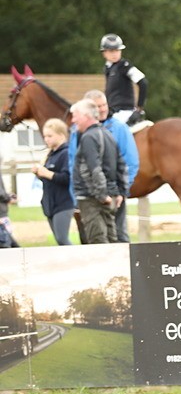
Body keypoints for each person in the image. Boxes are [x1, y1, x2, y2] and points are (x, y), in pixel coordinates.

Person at [68, 90, 138, 242]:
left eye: (104, 105)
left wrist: (120, 191)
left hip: (106, 194)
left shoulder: (118, 128)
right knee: (90, 236)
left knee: (115, 235)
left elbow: (128, 163)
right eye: (98, 106)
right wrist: (75, 193)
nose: (102, 109)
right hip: (91, 194)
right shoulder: (76, 132)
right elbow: (73, 162)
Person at [32, 118, 74, 245]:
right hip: (49, 203)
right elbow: (48, 179)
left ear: (61, 135)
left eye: (50, 136)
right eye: (45, 136)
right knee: (59, 240)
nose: (46, 139)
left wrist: (47, 173)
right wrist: (39, 173)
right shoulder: (50, 154)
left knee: (62, 238)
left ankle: (76, 256)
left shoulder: (66, 153)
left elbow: (67, 178)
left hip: (63, 203)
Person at [100, 34, 147, 125]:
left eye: (117, 50)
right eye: (111, 51)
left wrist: (139, 108)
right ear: (104, 53)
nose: (115, 54)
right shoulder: (108, 68)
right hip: (113, 112)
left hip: (124, 113)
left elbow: (143, 83)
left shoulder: (125, 66)